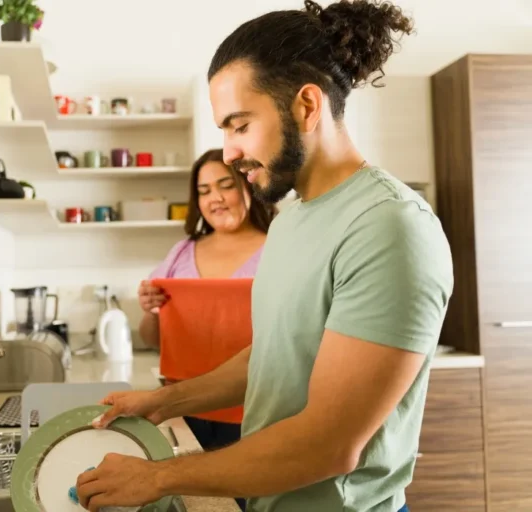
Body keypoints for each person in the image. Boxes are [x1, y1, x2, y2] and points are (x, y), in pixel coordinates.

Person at [76, 1, 453, 511]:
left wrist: (158, 477)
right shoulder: (293, 218)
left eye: (238, 125)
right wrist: (163, 402)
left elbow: (329, 444)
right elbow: (273, 358)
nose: (228, 152)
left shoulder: (390, 226)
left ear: (306, 106)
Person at [138, 149, 273, 511]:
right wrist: (151, 310)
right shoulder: (182, 252)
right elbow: (153, 338)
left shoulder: (279, 246)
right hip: (186, 409)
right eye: (204, 190)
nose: (215, 198)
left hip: (256, 409)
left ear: (247, 186)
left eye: (225, 185)